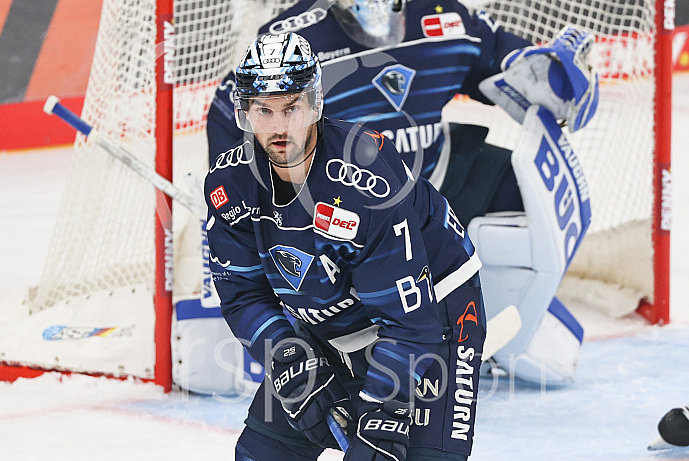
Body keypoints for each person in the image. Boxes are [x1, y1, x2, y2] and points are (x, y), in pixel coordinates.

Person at [205, 0, 599, 385]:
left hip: (430, 184)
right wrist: (246, 213)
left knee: (517, 187)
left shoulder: (443, 16)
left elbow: (500, 58)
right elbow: (231, 115)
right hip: (340, 213)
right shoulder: (294, 39)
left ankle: (497, 302)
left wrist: (551, 76)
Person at [204, 32, 486, 461]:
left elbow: (410, 325)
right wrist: (291, 360)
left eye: (292, 107)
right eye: (264, 110)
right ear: (246, 113)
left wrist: (383, 412)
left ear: (315, 104)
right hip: (329, 316)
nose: (279, 127)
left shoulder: (366, 182)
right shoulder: (230, 186)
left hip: (437, 314)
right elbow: (243, 295)